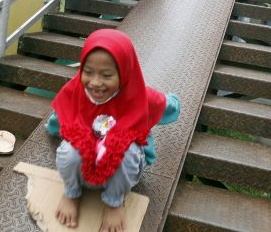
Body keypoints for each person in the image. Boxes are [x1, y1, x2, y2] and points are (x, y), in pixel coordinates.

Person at [45, 29, 180, 232]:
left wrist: (174, 101)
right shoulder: (76, 90)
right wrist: (53, 128)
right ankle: (72, 192)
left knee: (127, 151)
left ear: (125, 72)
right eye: (88, 72)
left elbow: (167, 106)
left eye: (106, 75)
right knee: (68, 150)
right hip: (84, 169)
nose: (95, 82)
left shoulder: (139, 95)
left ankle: (114, 202)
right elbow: (61, 114)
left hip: (121, 172)